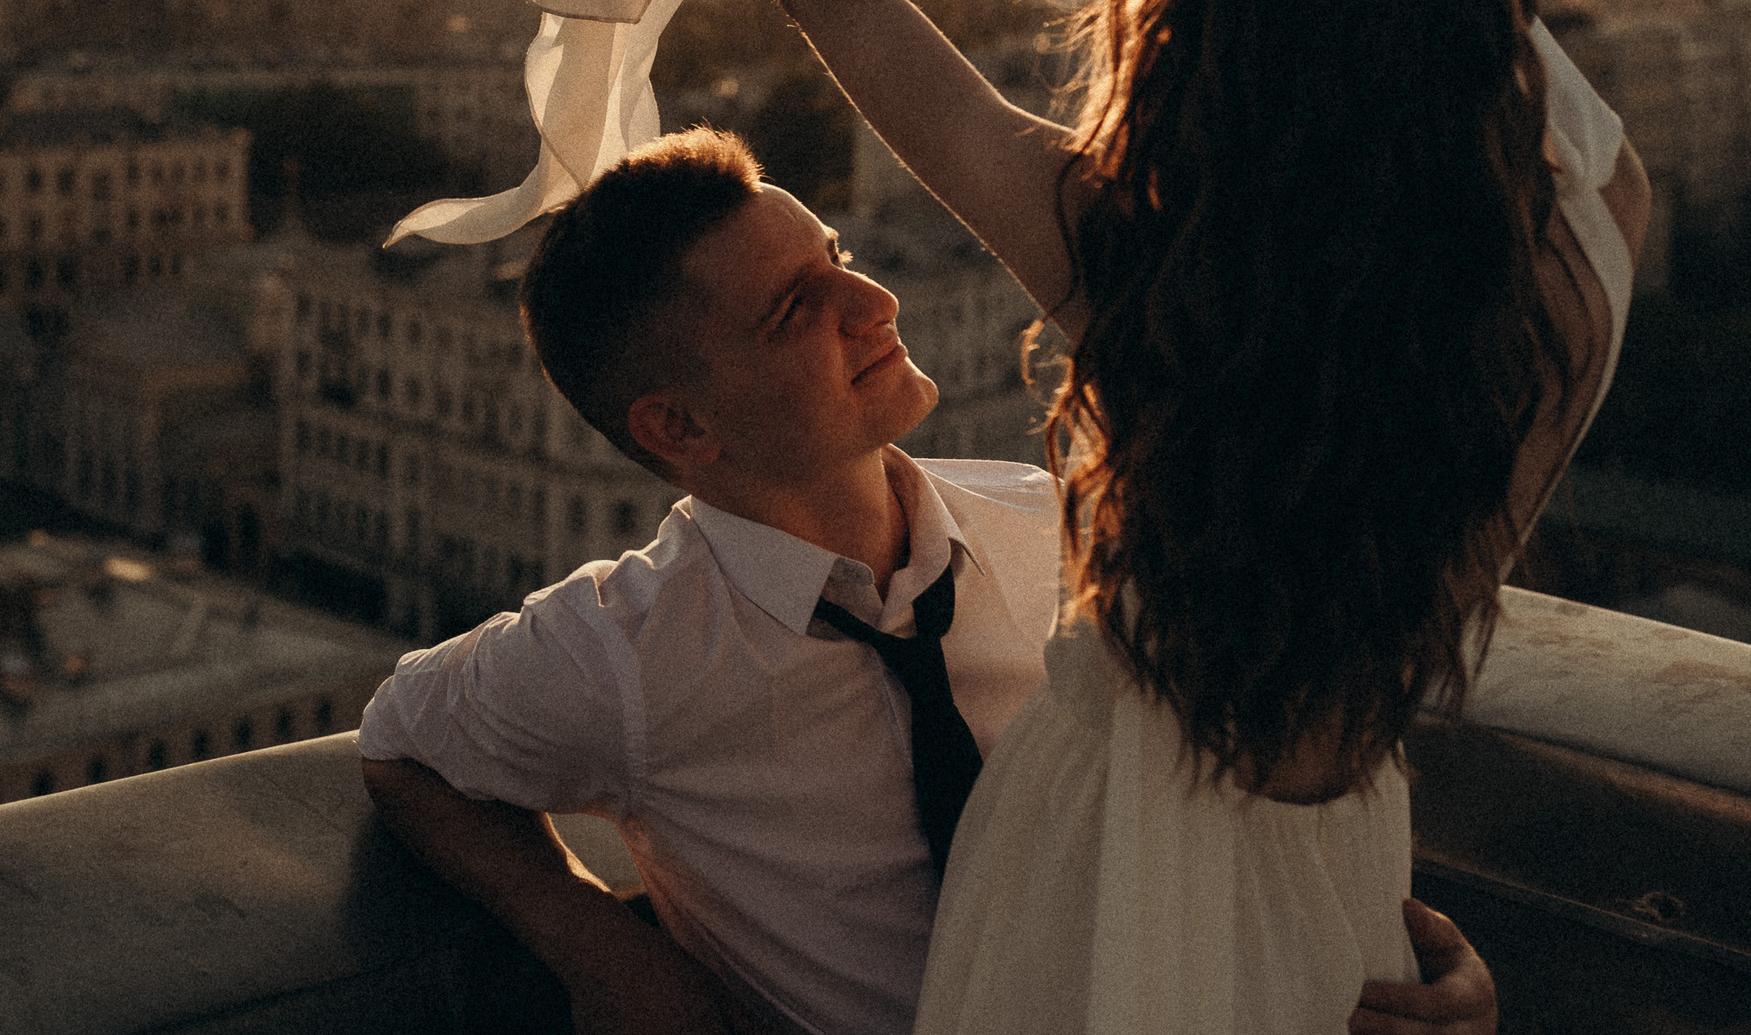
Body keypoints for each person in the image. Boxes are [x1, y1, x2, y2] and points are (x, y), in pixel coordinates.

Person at [589, 0, 1642, 1032]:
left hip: (1100, 868)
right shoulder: (1580, 261)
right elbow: (1462, 21)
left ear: (1207, 10)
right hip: (1347, 892)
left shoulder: (1155, 274)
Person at [359, 130, 1500, 1034]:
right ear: (679, 426)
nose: (876, 306)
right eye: (799, 310)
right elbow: (399, 738)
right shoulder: (630, 649)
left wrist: (1392, 962)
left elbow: (1222, 810)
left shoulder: (1050, 530)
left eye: (839, 262)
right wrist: (605, 949)